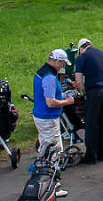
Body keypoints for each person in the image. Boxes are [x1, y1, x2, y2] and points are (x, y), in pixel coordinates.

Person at [32, 48, 75, 181]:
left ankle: (44, 180)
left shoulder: (41, 72)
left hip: (41, 115)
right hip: (48, 118)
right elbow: (50, 102)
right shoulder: (50, 77)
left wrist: (61, 96)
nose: (62, 67)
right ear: (56, 61)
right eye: (62, 63)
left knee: (45, 150)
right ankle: (51, 184)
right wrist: (67, 101)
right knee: (54, 152)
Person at [72, 37, 103, 165]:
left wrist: (84, 93)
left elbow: (78, 80)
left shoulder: (82, 57)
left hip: (96, 92)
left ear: (81, 49)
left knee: (91, 124)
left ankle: (91, 156)